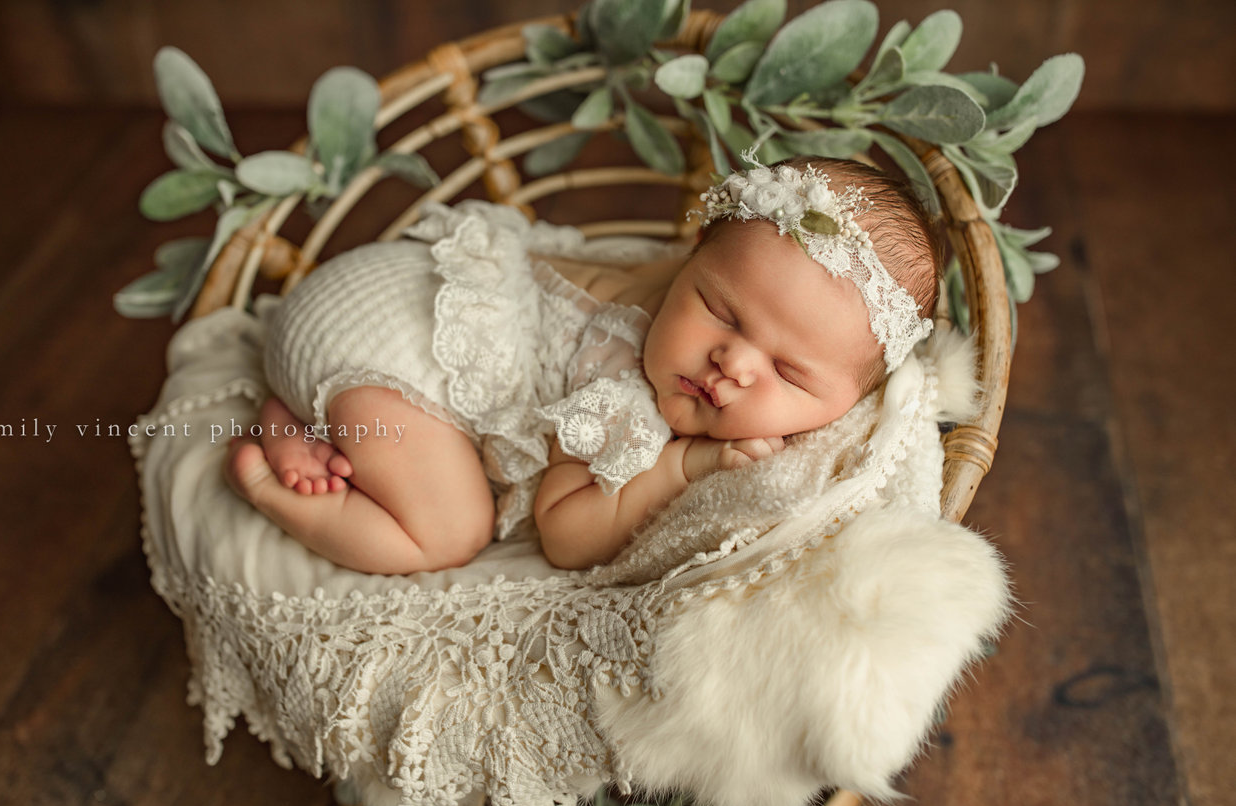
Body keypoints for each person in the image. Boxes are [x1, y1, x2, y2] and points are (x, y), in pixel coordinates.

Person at [224, 155, 939, 574]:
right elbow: (565, 530)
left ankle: (299, 410)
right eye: (720, 312)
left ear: (847, 404)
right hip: (386, 339)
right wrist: (683, 468)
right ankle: (268, 481)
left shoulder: (688, 295)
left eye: (788, 373)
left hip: (379, 297)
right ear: (692, 265)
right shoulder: (622, 382)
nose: (732, 361)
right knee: (449, 530)